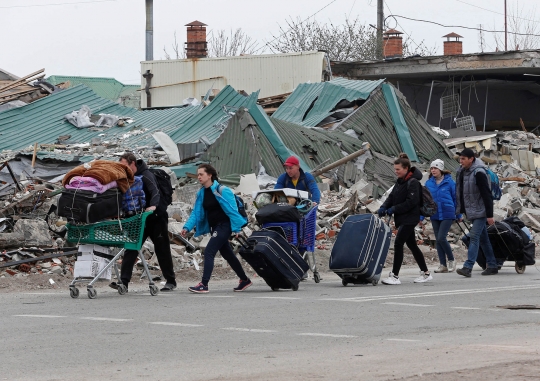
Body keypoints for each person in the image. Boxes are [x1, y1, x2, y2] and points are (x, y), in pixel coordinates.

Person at [181, 164, 252, 294]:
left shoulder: (222, 190)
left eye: (201, 174)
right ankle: (244, 279)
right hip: (215, 227)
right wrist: (187, 227)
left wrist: (236, 229)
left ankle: (204, 284)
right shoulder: (202, 193)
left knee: (209, 252)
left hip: (224, 226)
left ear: (210, 175)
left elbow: (233, 211)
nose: (199, 177)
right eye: (198, 175)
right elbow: (196, 213)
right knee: (228, 254)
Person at [114, 153, 177, 292]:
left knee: (162, 249)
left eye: (125, 166)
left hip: (156, 217)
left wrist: (153, 206)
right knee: (131, 248)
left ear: (133, 164)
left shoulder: (147, 175)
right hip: (139, 219)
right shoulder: (128, 178)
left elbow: (155, 191)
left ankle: (170, 281)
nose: (123, 169)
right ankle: (124, 282)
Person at [378, 153, 433, 285]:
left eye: (398, 169)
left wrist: (394, 209)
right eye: (395, 169)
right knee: (412, 245)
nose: (396, 172)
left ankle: (395, 276)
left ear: (406, 168)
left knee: (398, 243)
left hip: (410, 218)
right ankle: (426, 273)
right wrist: (384, 207)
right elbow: (391, 197)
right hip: (402, 218)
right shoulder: (400, 182)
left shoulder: (413, 182)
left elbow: (411, 202)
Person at [455, 148, 498, 277]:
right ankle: (492, 265)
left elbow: (486, 195)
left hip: (481, 211)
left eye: (463, 159)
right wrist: (460, 211)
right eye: (460, 159)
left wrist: (490, 215)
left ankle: (468, 267)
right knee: (484, 239)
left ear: (471, 159)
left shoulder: (479, 173)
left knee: (474, 237)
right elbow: (460, 193)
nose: (461, 161)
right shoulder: (462, 172)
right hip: (471, 211)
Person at [424, 159, 460, 273]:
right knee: (437, 240)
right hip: (434, 214)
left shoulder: (450, 182)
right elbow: (425, 201)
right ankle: (442, 264)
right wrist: (421, 217)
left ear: (441, 169)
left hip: (447, 212)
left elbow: (456, 198)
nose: (433, 170)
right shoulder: (428, 183)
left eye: (435, 168)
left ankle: (451, 260)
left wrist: (458, 213)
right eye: (432, 168)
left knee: (441, 237)